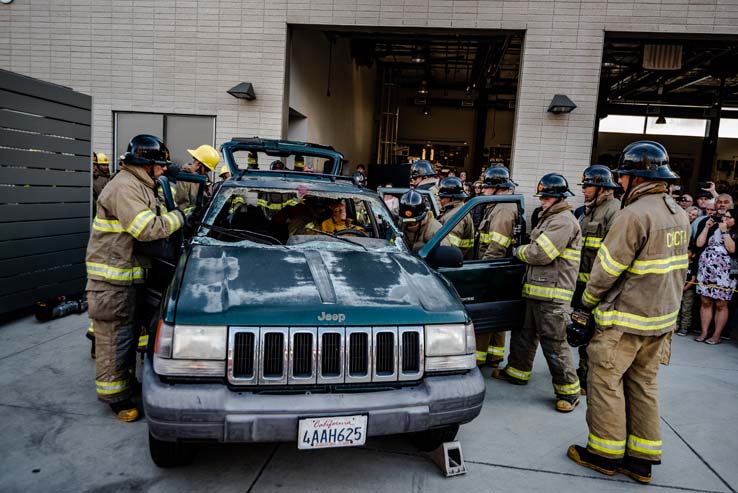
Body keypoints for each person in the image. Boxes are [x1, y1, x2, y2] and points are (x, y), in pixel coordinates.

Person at [568, 140, 689, 484]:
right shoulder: (677, 213)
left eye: (623, 176)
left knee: (605, 382)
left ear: (636, 178)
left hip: (624, 321)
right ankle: (641, 460)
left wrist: (584, 306)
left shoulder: (633, 215)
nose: (619, 182)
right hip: (660, 322)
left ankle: (604, 454)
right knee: (644, 385)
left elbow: (606, 270)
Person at [86, 134, 185, 422]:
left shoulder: (141, 185)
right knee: (114, 339)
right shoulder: (125, 187)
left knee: (126, 337)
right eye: (161, 165)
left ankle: (126, 385)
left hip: (127, 277)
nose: (164, 170)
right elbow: (147, 228)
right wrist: (179, 217)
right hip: (111, 282)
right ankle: (115, 398)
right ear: (146, 163)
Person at [493, 172, 582, 413]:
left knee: (554, 342)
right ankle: (517, 372)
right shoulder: (549, 218)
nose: (542, 201)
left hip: (553, 295)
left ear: (559, 198)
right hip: (537, 292)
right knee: (524, 334)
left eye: (547, 198)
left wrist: (518, 251)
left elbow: (540, 254)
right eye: (542, 197)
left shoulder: (563, 221)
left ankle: (569, 392)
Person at [574, 165, 621, 394]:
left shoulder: (615, 211)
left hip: (599, 287)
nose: (584, 190)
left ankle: (586, 378)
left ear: (602, 187)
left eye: (588, 185)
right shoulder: (587, 211)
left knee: (594, 334)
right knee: (582, 330)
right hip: (582, 285)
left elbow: (613, 254)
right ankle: (583, 372)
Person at [476, 166, 519, 368]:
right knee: (495, 316)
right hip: (498, 269)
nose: (483, 190)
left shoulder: (502, 209)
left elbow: (496, 246)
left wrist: (484, 272)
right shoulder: (500, 205)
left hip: (492, 268)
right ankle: (494, 356)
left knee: (484, 316)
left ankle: (478, 358)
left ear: (497, 187)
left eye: (487, 187)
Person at [695, 208, 737, 344]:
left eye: (729, 217)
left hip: (725, 273)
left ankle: (717, 335)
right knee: (705, 301)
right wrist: (707, 228)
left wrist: (724, 231)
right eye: (724, 216)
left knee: (721, 304)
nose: (725, 219)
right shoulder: (714, 228)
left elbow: (732, 249)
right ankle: (704, 332)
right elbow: (699, 243)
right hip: (706, 270)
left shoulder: (734, 232)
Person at [436, 177, 475, 259]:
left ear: (452, 198)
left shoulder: (455, 215)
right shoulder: (454, 210)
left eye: (442, 197)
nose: (439, 199)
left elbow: (449, 249)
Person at [175, 144, 220, 212]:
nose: (207, 173)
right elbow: (181, 207)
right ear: (199, 164)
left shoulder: (203, 179)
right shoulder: (184, 179)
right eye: (207, 169)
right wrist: (195, 211)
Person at [676, 245, 698, 336]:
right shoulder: (680, 264)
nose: (685, 254)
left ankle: (684, 327)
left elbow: (693, 280)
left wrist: (684, 288)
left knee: (686, 309)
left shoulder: (693, 266)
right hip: (678, 289)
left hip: (688, 291)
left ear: (693, 255)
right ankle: (676, 326)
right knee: (677, 308)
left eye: (688, 253)